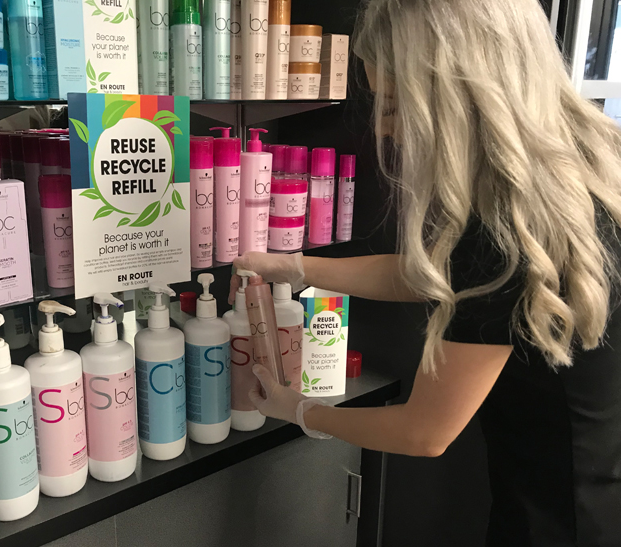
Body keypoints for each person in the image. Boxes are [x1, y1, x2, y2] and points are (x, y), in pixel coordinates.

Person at [232, 0, 621, 545]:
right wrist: (291, 264)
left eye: (393, 106)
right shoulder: (581, 169)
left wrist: (299, 410)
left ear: (460, 95)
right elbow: (442, 279)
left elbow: (424, 431)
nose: (385, 131)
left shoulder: (507, 227)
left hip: (559, 522)